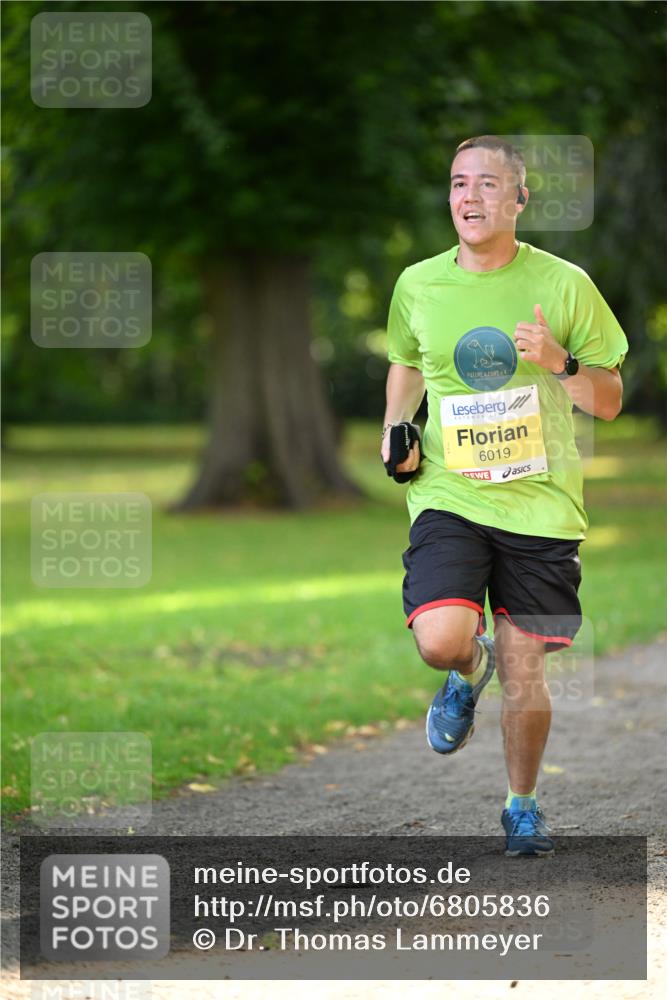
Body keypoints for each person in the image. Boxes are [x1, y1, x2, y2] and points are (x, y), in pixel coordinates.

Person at [381, 135, 628, 856]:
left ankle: (521, 805)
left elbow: (608, 400)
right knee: (441, 639)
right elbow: (404, 364)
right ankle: (464, 670)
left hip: (541, 503)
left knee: (526, 665)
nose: (469, 197)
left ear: (518, 200)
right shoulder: (416, 284)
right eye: (458, 183)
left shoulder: (562, 284)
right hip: (450, 494)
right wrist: (396, 431)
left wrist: (558, 361)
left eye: (488, 184)